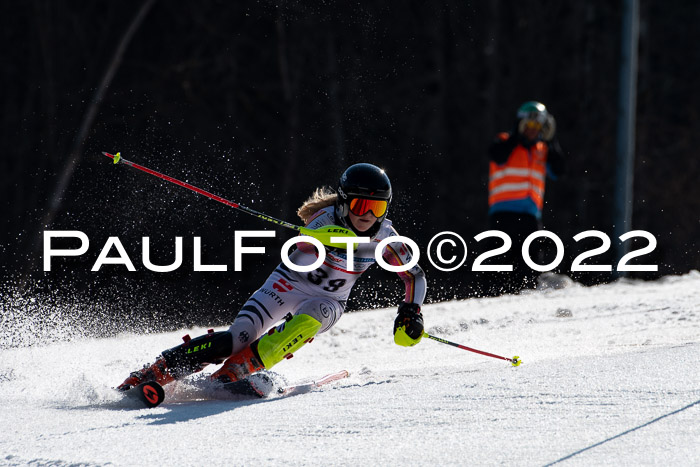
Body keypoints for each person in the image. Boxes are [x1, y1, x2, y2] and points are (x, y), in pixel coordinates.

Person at [117, 163, 427, 395]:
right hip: (286, 285)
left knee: (308, 321)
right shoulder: (324, 221)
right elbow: (303, 247)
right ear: (344, 203)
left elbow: (413, 276)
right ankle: (157, 370)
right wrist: (324, 238)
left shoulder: (385, 237)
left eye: (378, 208)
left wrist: (411, 311)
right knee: (238, 337)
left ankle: (232, 374)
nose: (368, 215)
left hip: (329, 301)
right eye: (361, 205)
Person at [487, 101, 565, 293]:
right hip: (503, 213)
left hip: (530, 215)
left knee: (529, 263)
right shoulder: (505, 141)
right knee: (500, 261)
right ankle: (492, 295)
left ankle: (524, 296)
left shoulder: (542, 149)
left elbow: (558, 169)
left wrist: (551, 140)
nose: (532, 131)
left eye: (537, 127)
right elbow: (497, 155)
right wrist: (516, 137)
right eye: (528, 126)